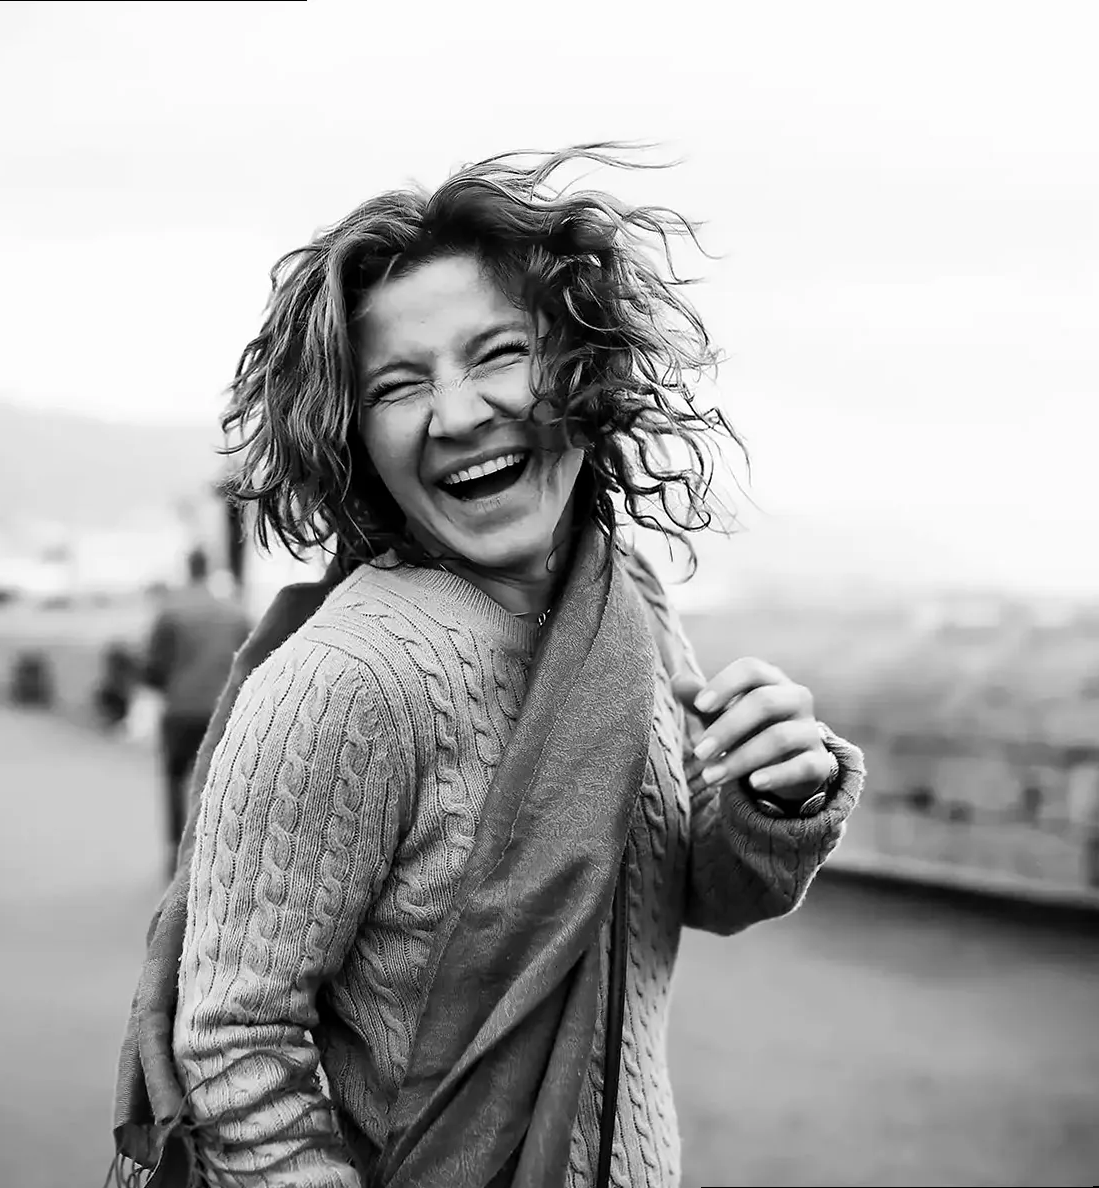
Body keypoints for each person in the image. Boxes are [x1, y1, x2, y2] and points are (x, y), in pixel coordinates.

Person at [111, 144, 867, 1188]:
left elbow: (681, 891)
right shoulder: (348, 679)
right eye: (398, 384)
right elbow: (234, 1047)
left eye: (498, 353)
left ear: (579, 363)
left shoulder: (625, 599)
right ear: (351, 437)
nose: (459, 413)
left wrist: (777, 797)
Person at [140, 546, 251, 875]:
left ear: (188, 568)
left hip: (181, 707)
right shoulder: (233, 611)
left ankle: (177, 855)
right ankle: (216, 852)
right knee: (218, 782)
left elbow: (154, 669)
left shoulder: (171, 611)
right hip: (223, 709)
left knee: (176, 779)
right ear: (209, 568)